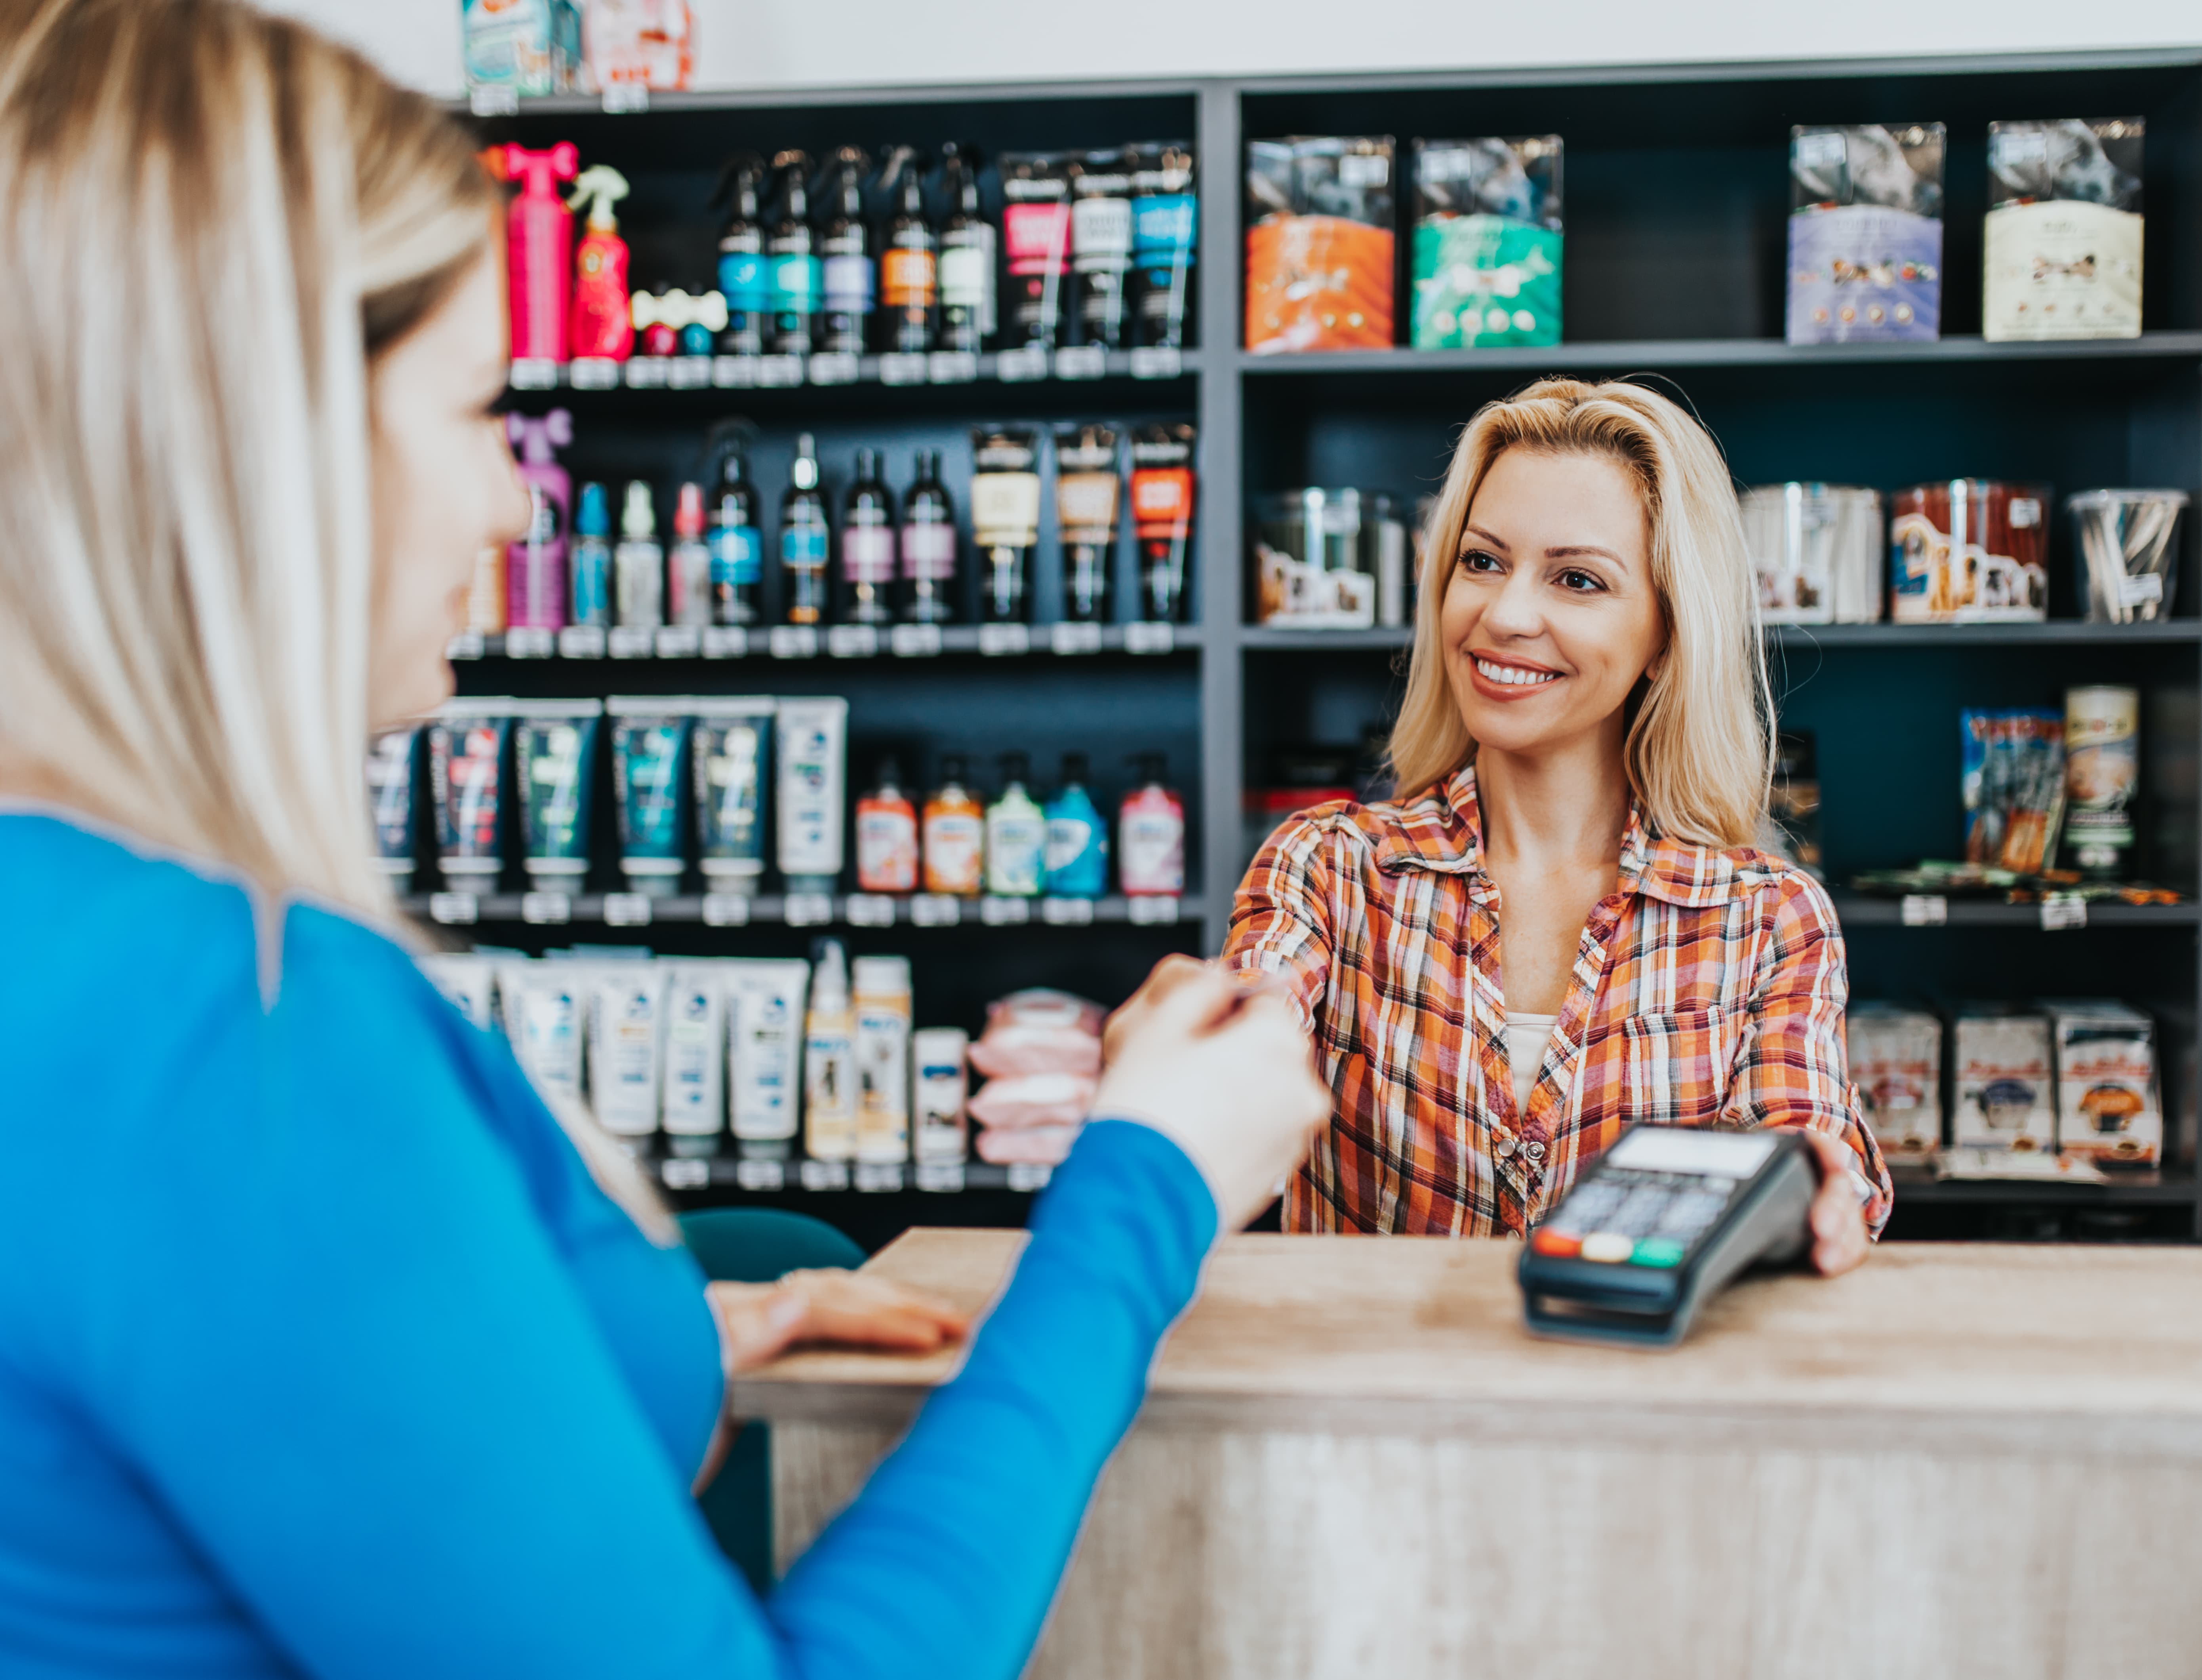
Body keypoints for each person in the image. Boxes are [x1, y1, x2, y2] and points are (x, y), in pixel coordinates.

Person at [0, 4, 1326, 1676]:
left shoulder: (88, 959)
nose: (515, 502)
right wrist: (1151, 1181)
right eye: (480, 407)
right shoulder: (231, 1032)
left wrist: (643, 1341)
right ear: (267, 443)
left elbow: (209, 1402)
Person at [1116, 378, 1887, 1270]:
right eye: (1482, 561)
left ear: (1668, 634)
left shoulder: (1767, 916)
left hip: (1640, 1396)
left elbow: (1808, 1141)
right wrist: (1192, 1054)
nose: (1506, 615)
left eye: (1578, 579)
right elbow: (1252, 1027)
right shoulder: (1328, 869)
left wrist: (1818, 1187)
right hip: (1369, 1402)